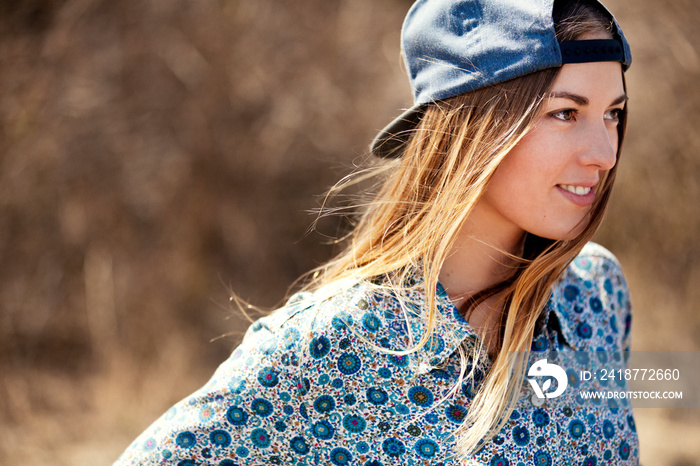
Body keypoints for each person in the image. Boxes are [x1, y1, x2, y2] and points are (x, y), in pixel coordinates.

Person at [115, 0, 638, 464]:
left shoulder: (596, 295)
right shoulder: (327, 346)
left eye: (613, 114)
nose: (604, 153)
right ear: (471, 126)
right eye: (566, 113)